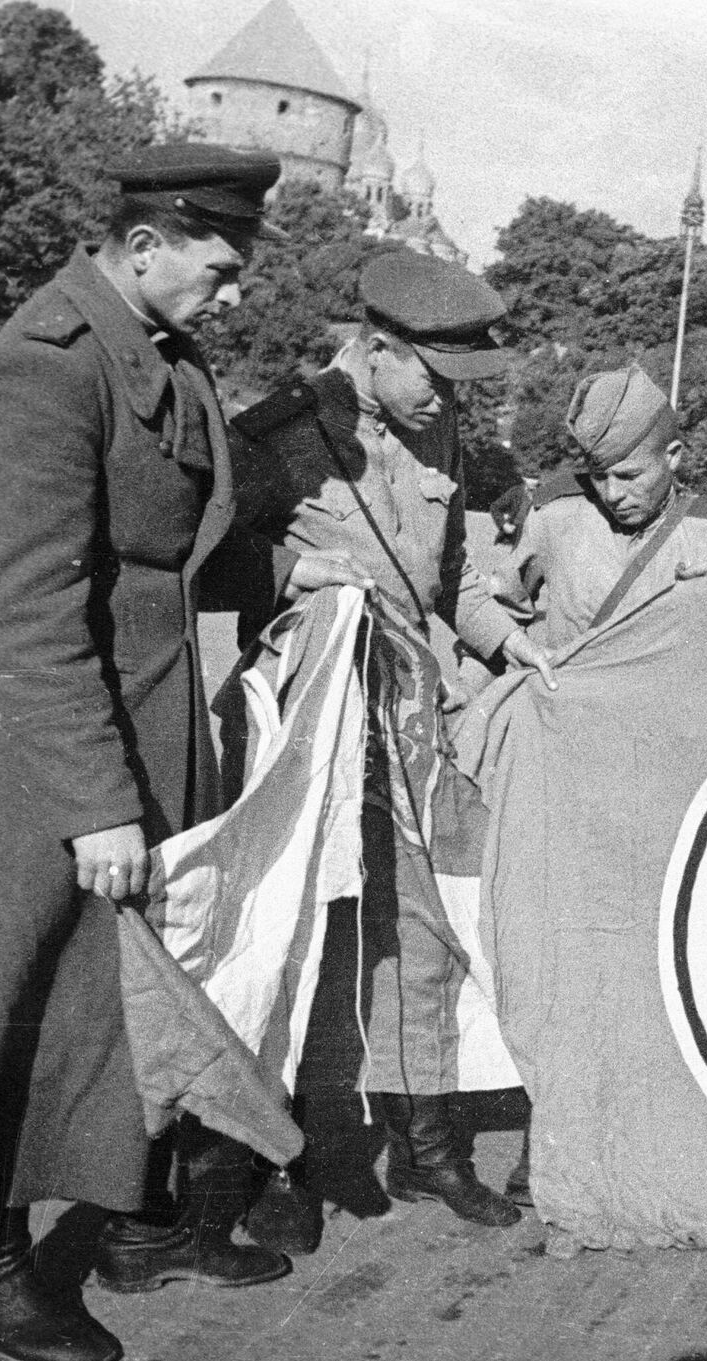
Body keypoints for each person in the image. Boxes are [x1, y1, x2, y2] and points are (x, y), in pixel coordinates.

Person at [0, 145, 372, 1361]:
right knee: (23, 995)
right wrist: (94, 802)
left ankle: (137, 1224)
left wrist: (287, 571)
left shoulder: (164, 352)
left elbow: (171, 545)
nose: (230, 292)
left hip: (150, 712)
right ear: (147, 242)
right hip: (45, 741)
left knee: (148, 983)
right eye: (217, 269)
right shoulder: (43, 368)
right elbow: (19, 613)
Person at [227, 252, 552, 1243]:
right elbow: (205, 551)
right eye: (436, 377)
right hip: (308, 721)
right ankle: (278, 1163)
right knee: (300, 937)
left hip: (411, 721)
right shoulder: (279, 432)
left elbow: (450, 579)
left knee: (422, 931)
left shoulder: (435, 420)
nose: (450, 402)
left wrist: (511, 643)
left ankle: (427, 1147)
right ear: (375, 349)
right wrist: (288, 567)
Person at [484, 362, 707, 652]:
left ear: (672, 456)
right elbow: (499, 618)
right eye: (599, 476)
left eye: (629, 476)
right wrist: (469, 690)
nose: (612, 494)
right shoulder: (556, 517)